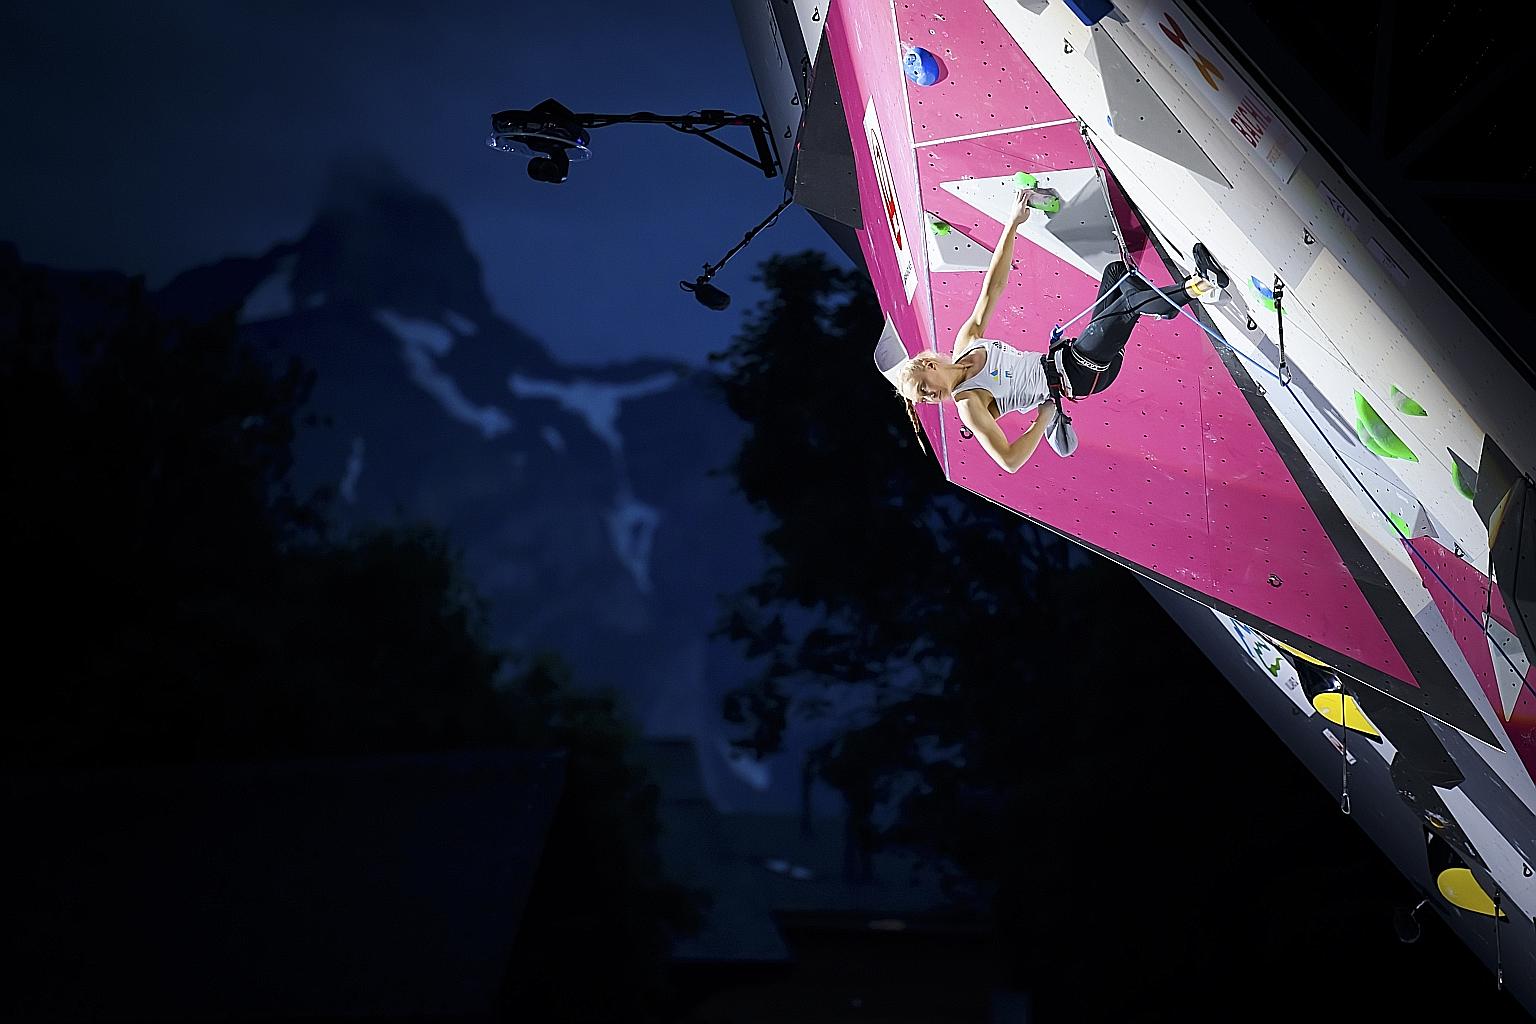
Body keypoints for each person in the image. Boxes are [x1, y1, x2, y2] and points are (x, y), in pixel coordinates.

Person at [889, 187, 1227, 472]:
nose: (929, 398)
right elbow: (1009, 461)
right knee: (1127, 306)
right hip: (1078, 375)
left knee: (1116, 274)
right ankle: (1200, 285)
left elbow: (993, 287)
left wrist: (1012, 223)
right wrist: (1043, 418)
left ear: (929, 365)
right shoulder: (969, 403)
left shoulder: (966, 343)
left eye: (923, 388)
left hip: (1071, 356)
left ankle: (1161, 305)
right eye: (923, 399)